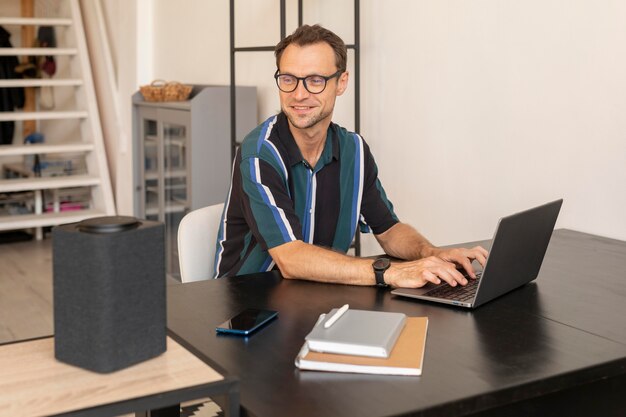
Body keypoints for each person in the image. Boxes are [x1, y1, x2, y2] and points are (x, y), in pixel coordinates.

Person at [214, 24, 488, 288]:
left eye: (315, 80)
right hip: (248, 306)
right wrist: (390, 273)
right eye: (288, 79)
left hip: (318, 297)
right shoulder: (260, 153)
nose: (299, 94)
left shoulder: (353, 150)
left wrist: (430, 253)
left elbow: (389, 230)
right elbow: (290, 258)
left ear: (341, 82)